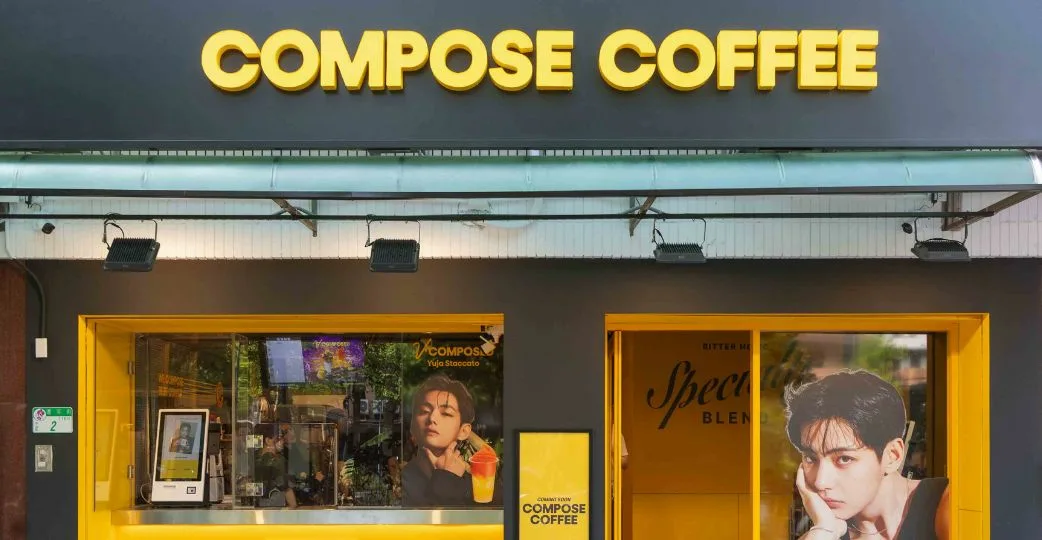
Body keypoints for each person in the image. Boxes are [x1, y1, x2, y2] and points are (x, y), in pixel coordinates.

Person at [784, 370, 950, 540]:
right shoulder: (824, 532)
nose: (821, 482)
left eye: (844, 459)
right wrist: (824, 530)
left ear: (892, 455)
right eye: (811, 458)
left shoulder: (948, 504)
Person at [401, 374, 502, 507]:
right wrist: (446, 479)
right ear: (413, 425)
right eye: (424, 411)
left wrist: (447, 479)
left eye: (446, 413)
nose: (432, 418)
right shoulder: (400, 482)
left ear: (463, 431)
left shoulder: (478, 488)